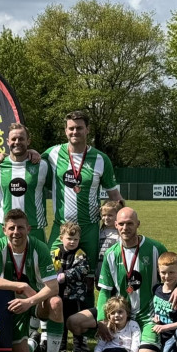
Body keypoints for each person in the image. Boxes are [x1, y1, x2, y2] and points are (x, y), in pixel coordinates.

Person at [67, 207, 177, 352]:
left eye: (130, 223)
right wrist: (102, 320)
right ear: (115, 225)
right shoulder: (111, 254)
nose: (125, 228)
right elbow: (104, 291)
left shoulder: (154, 248)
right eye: (122, 224)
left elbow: (174, 269)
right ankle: (91, 346)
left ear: (138, 224)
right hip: (119, 313)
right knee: (74, 322)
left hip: (148, 316)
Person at [0, 208, 64, 352]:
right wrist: (21, 286)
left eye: (20, 227)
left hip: (35, 301)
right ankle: (33, 341)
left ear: (28, 229)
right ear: (4, 229)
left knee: (56, 302)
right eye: (11, 228)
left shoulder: (39, 248)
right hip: (12, 304)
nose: (16, 232)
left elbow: (53, 287)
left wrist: (29, 301)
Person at [43, 110, 123, 271]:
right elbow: (29, 161)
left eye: (79, 128)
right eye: (71, 128)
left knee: (88, 275)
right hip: (61, 227)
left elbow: (114, 195)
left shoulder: (101, 159)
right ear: (65, 131)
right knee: (51, 272)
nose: (75, 132)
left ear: (87, 130)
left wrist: (124, 222)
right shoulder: (52, 154)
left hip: (89, 229)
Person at [0, 123, 51, 244]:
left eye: (21, 139)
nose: (17, 142)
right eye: (13, 139)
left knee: (36, 263)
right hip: (6, 227)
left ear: (28, 141)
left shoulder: (42, 165)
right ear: (8, 141)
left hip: (34, 227)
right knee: (6, 262)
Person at [51, 221, 91, 352]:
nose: (72, 242)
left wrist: (66, 275)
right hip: (58, 294)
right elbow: (50, 268)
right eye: (69, 238)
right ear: (61, 238)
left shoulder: (80, 253)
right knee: (60, 320)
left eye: (76, 239)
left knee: (75, 321)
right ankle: (61, 346)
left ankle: (79, 346)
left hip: (75, 295)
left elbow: (83, 269)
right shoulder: (55, 252)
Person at [76, 295, 141, 352]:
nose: (116, 315)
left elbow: (136, 342)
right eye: (113, 313)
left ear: (127, 313)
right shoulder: (108, 326)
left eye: (120, 312)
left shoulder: (133, 325)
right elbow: (100, 344)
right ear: (109, 315)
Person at [97, 198, 124, 263]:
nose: (106, 218)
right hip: (100, 268)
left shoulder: (120, 233)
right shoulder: (99, 232)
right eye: (104, 215)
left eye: (110, 215)